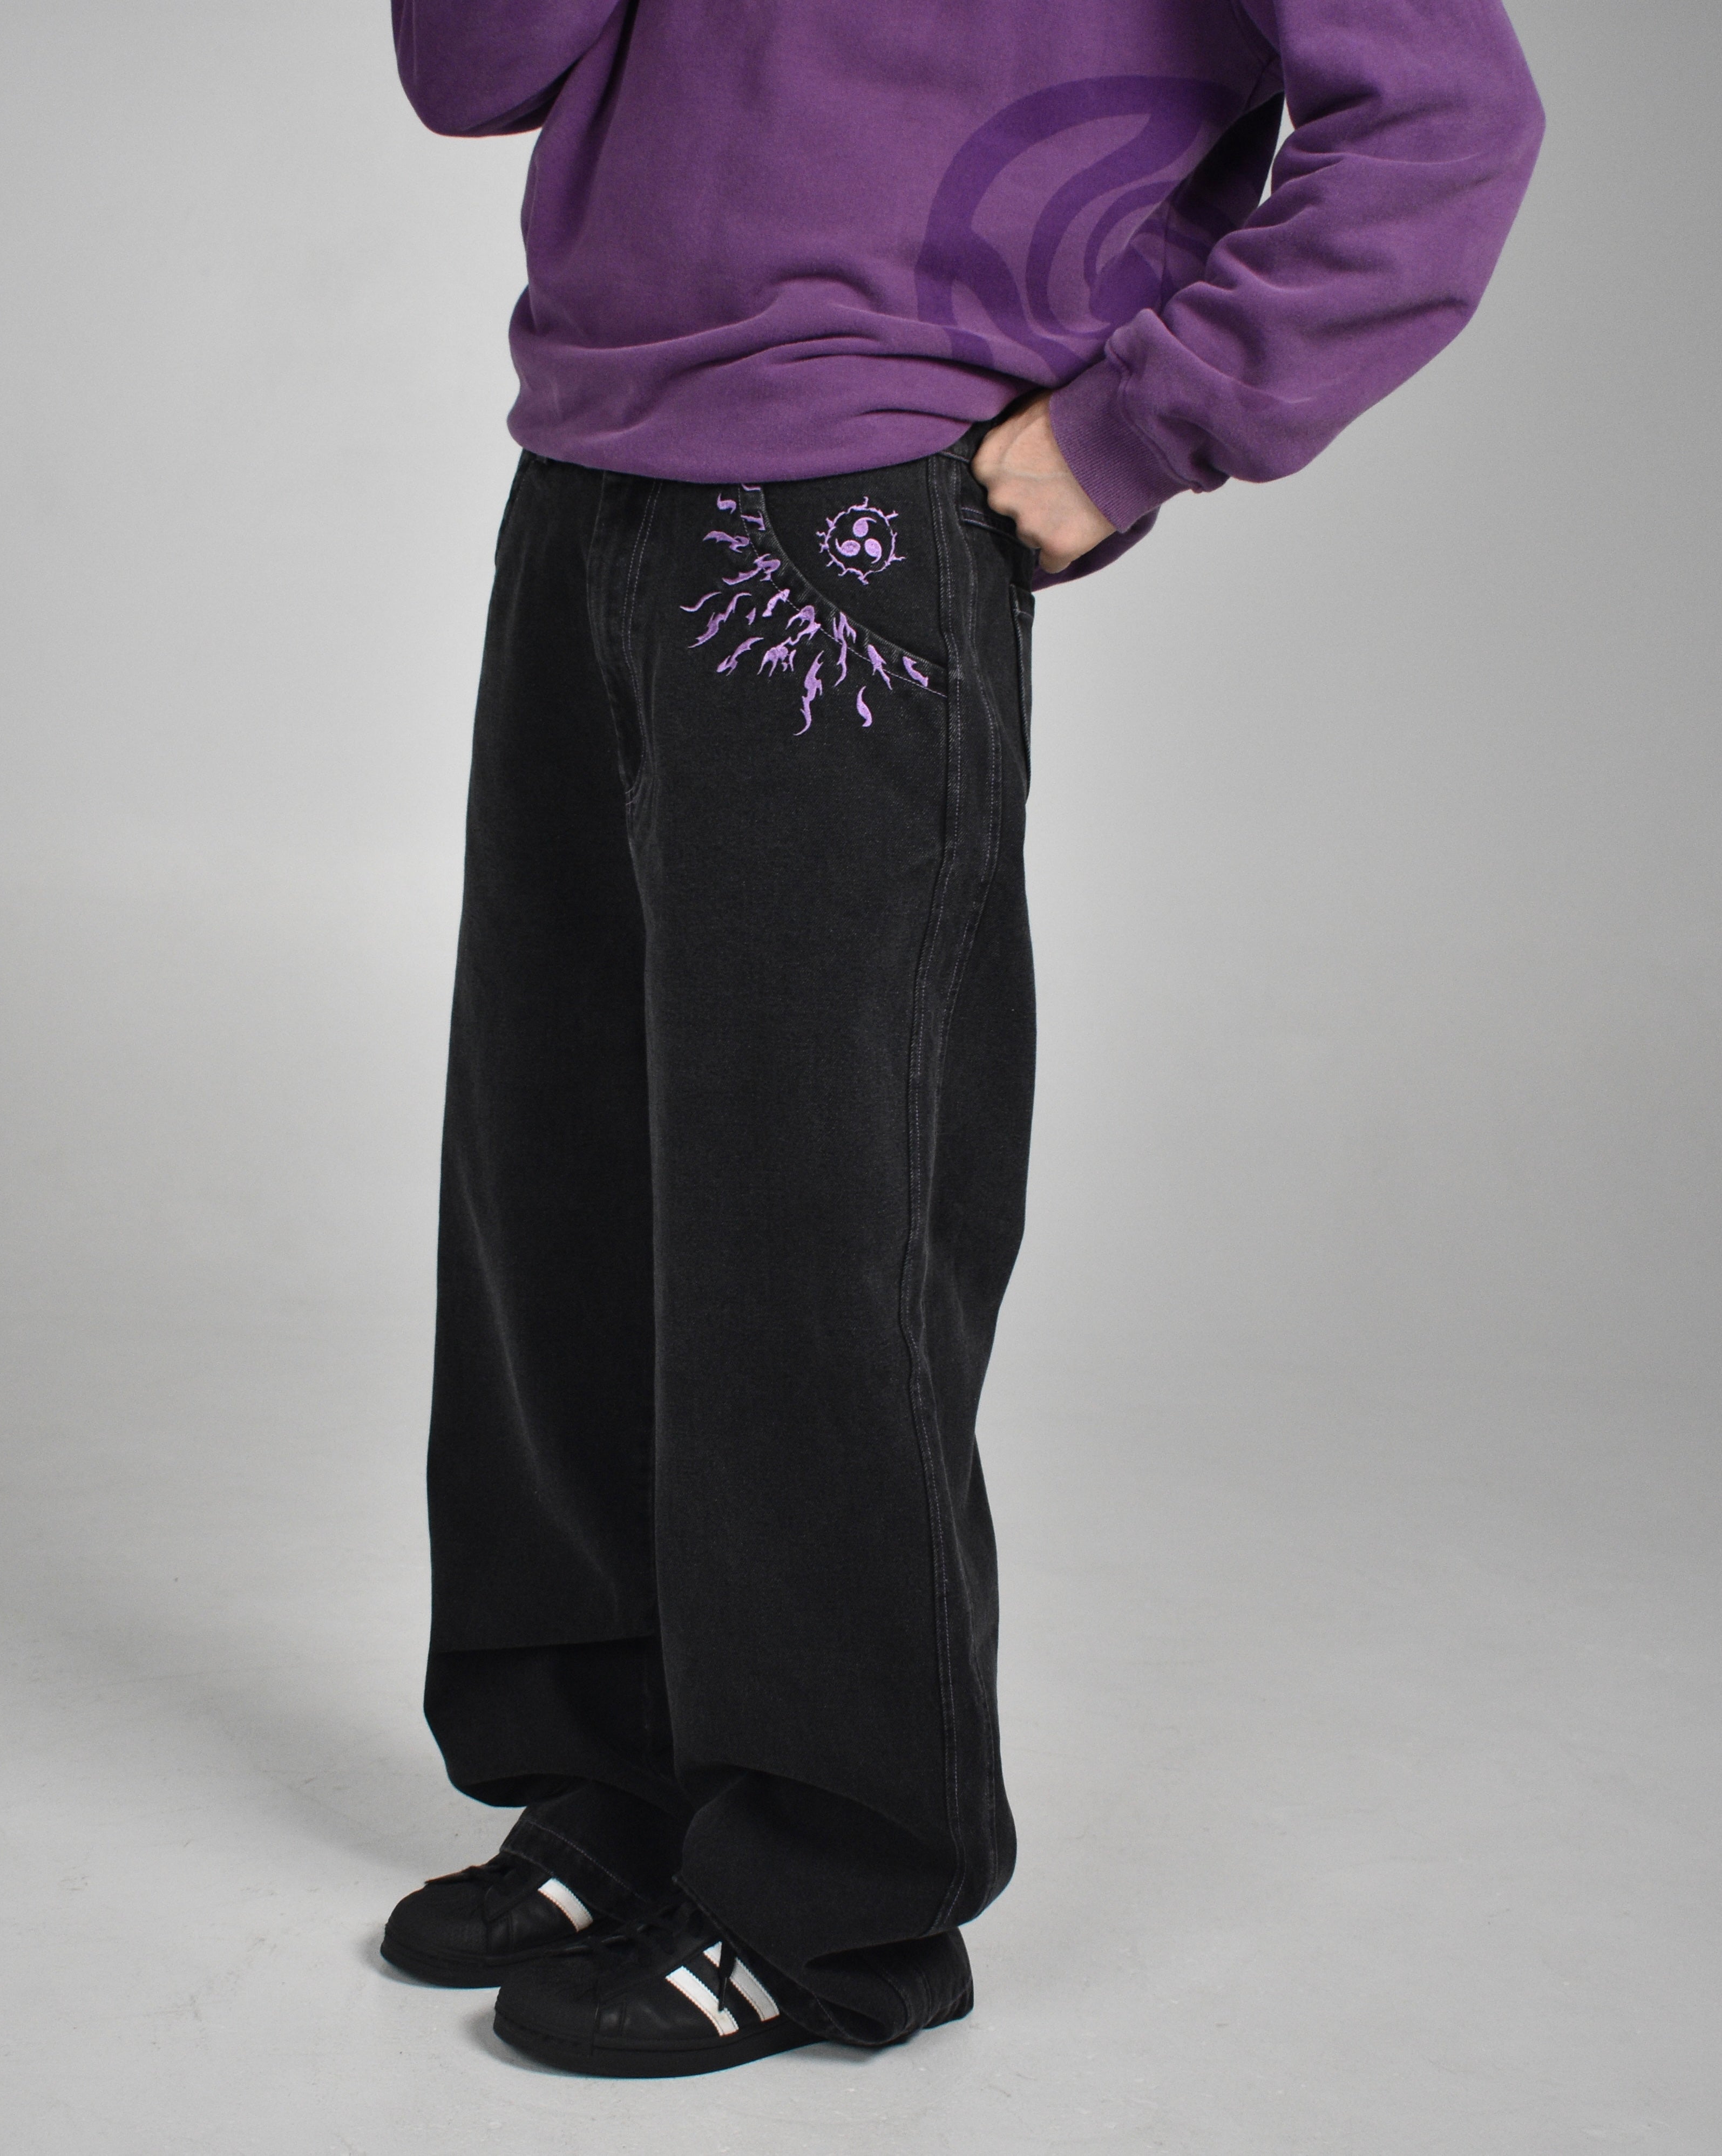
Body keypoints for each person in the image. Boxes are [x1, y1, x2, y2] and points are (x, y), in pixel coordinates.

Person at [376, 0, 1543, 2080]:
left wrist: (1143, 422)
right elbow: (470, 69)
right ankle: (626, 1782)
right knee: (559, 1175)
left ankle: (834, 1886)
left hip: (859, 484)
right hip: (591, 468)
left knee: (811, 1207)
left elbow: (1447, 120)